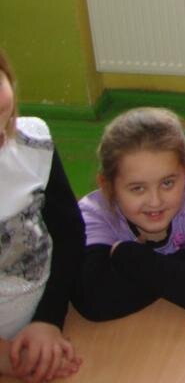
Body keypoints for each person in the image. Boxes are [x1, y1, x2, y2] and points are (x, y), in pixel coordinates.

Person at [73, 107, 185, 320]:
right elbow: (94, 301)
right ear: (107, 185)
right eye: (137, 188)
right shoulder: (94, 213)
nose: (155, 201)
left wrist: (127, 255)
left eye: (167, 183)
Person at [0, 49, 84, 382]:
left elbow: (69, 233)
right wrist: (7, 357)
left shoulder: (33, 143)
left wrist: (48, 320)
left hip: (46, 308)